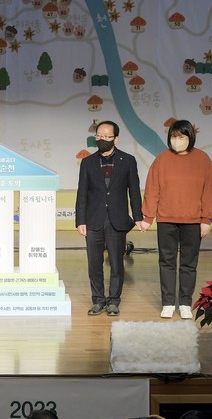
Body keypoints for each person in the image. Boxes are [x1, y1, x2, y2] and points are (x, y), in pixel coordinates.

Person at [139, 120, 212, 319]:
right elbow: (152, 189)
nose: (177, 140)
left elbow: (208, 191)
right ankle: (167, 303)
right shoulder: (162, 159)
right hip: (166, 219)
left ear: (190, 137)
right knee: (167, 262)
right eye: (173, 136)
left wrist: (206, 219)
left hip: (193, 220)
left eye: (181, 136)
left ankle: (184, 303)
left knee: (189, 264)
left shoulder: (203, 159)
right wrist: (148, 217)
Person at [75, 120, 143, 317]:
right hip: (93, 220)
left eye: (106, 136)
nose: (102, 139)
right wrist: (80, 220)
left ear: (116, 139)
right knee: (94, 264)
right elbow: (82, 193)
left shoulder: (128, 160)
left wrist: (138, 216)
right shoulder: (87, 162)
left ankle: (113, 301)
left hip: (117, 220)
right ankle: (98, 300)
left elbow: (134, 191)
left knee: (116, 264)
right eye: (99, 136)